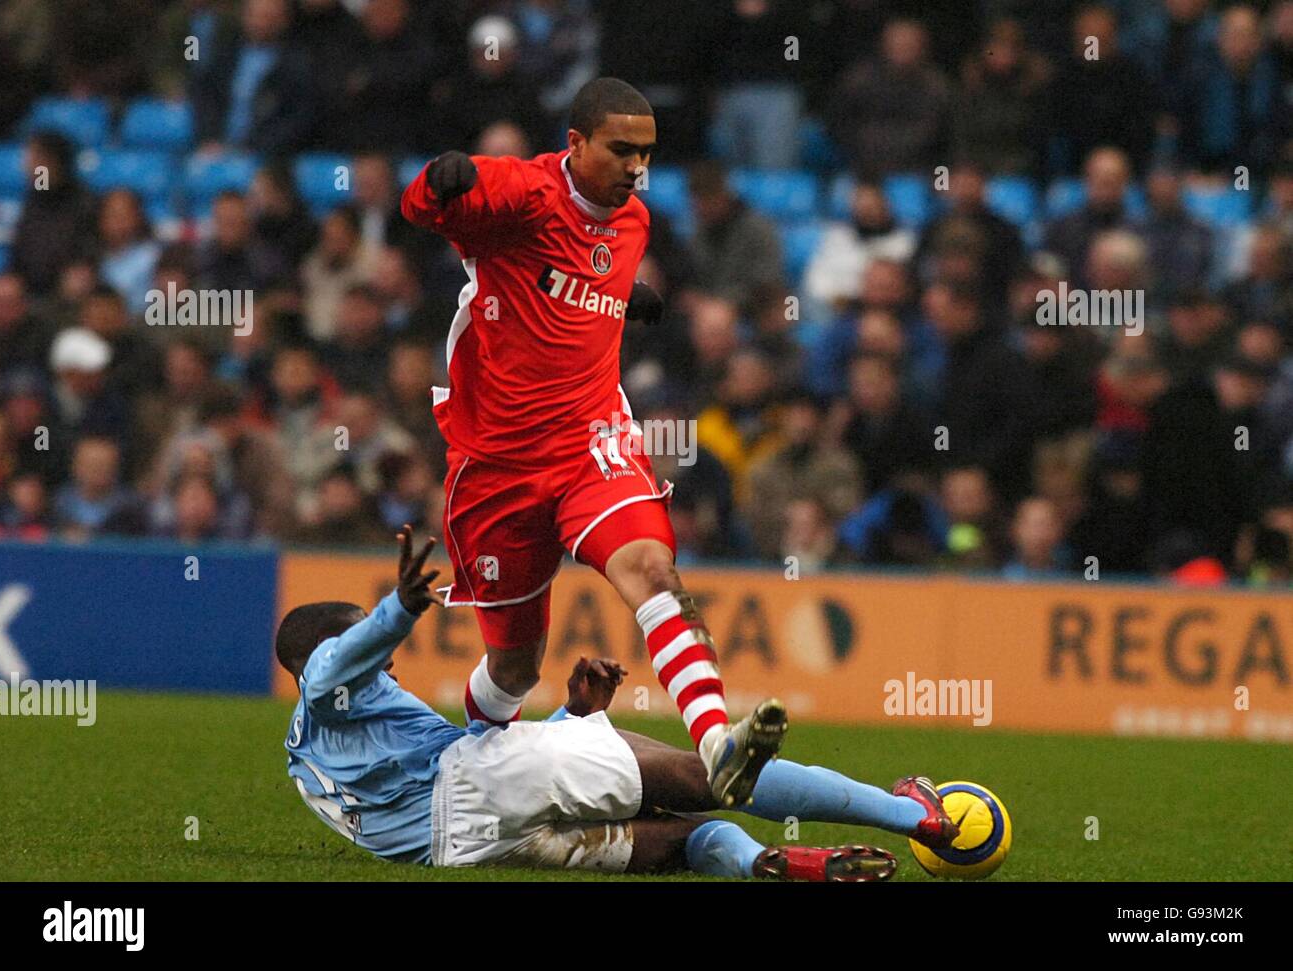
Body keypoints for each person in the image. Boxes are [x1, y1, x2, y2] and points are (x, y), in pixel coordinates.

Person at [400, 77, 785, 807]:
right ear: (575, 145)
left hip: (591, 442)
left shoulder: (634, 219)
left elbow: (579, 275)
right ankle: (469, 781)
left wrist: (618, 295)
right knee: (513, 666)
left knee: (651, 568)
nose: (636, 168)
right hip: (498, 464)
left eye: (646, 153)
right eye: (620, 151)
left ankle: (716, 741)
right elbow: (423, 206)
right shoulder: (520, 192)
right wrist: (436, 179)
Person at [278, 526, 960, 878]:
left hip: (470, 848)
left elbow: (475, 781)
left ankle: (767, 863)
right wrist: (396, 609)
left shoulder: (304, 761)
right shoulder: (327, 686)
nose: (387, 661)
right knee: (709, 776)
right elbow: (334, 667)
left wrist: (572, 718)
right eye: (367, 644)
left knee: (686, 842)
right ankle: (918, 816)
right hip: (476, 781)